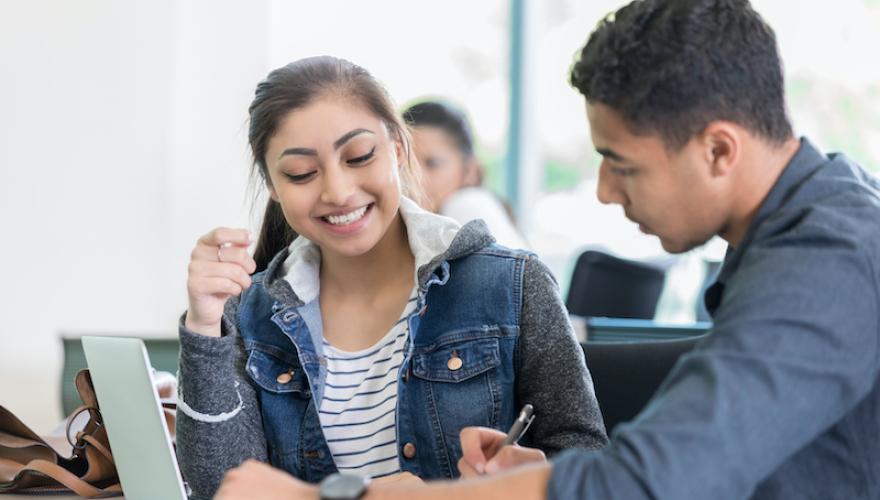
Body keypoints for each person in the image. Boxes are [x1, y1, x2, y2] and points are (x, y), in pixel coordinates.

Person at [213, 0, 880, 499]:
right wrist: (544, 476)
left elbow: (645, 483)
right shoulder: (803, 223)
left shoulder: (828, 262)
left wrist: (340, 496)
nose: (603, 191)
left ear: (718, 149)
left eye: (622, 163)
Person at [177, 55, 607, 499]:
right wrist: (205, 326)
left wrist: (522, 482)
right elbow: (220, 488)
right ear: (272, 184)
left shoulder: (513, 285)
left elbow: (590, 466)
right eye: (301, 173)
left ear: (399, 149)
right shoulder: (250, 313)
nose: (338, 191)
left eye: (359, 156)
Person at [402, 100, 528, 249]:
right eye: (405, 163)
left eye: (432, 164)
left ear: (470, 171)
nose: (414, 177)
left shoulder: (466, 206)